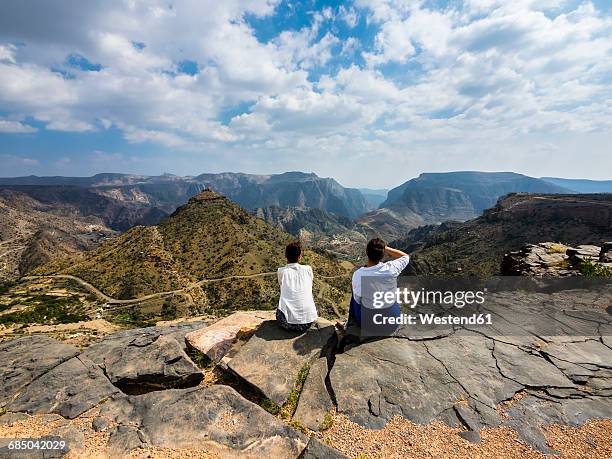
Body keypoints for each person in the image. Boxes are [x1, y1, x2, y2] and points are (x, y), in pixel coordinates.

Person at [347, 238, 410, 331]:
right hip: (392, 321)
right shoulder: (391, 268)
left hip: (369, 324)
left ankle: (350, 324)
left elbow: (357, 300)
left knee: (354, 295)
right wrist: (385, 248)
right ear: (383, 254)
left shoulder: (358, 274)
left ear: (366, 252)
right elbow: (405, 257)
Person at [276, 241, 317, 332]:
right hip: (308, 321)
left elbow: (281, 286)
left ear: (286, 256)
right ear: (299, 257)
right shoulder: (308, 269)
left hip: (286, 323)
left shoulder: (281, 271)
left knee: (281, 305)